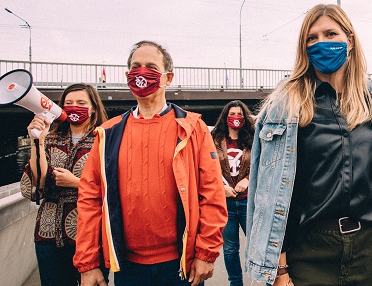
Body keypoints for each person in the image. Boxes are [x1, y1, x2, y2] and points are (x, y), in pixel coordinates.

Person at [245, 4, 372, 286]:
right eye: (312, 38)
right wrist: (279, 270)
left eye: (331, 34)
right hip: (308, 253)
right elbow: (264, 193)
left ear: (350, 40)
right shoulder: (283, 105)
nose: (321, 43)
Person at [74, 41, 227, 286]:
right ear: (127, 76)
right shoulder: (107, 134)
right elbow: (90, 199)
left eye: (151, 66)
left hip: (180, 265)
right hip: (127, 266)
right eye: (136, 67)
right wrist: (88, 263)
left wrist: (206, 253)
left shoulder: (193, 128)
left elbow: (211, 194)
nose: (142, 73)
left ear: (169, 77)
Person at [20, 83, 109, 286]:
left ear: (93, 107)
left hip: (92, 236)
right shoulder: (51, 140)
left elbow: (115, 186)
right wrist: (38, 143)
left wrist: (78, 183)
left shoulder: (104, 141)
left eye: (81, 103)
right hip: (49, 234)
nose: (73, 107)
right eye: (68, 103)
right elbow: (36, 185)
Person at [211, 100, 255, 286]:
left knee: (255, 246)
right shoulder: (215, 140)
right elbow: (208, 168)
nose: (235, 117)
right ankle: (235, 283)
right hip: (225, 203)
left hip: (247, 202)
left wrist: (248, 180)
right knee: (230, 249)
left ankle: (269, 280)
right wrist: (222, 188)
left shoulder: (253, 140)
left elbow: (262, 164)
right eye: (231, 114)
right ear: (225, 117)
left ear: (244, 118)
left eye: (239, 114)